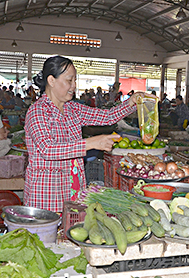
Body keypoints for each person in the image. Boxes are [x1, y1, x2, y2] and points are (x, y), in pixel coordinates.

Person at [24, 55, 151, 213]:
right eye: (69, 80)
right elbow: (48, 149)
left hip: (72, 187)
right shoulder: (38, 111)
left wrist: (131, 102)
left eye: (75, 81)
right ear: (51, 81)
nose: (74, 86)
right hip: (47, 194)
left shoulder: (72, 109)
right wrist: (91, 143)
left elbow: (107, 116)